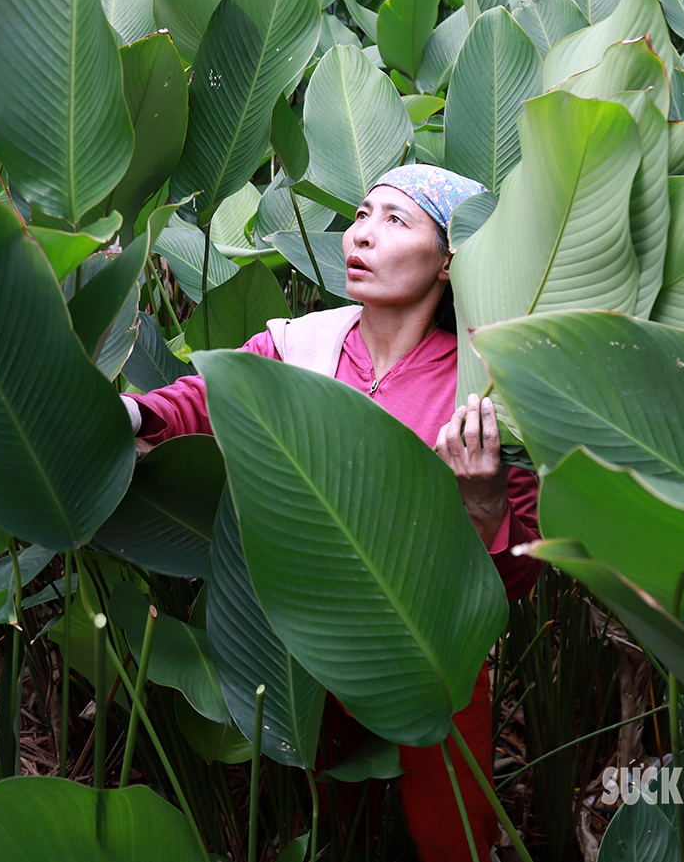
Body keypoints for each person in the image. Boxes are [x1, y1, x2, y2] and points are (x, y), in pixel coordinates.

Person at [122, 164, 541, 861]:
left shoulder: (482, 378)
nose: (362, 235)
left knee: (451, 843)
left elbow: (513, 579)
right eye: (361, 214)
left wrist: (482, 499)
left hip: (430, 660)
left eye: (395, 221)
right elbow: (210, 395)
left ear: (448, 261)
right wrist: (132, 411)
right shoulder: (302, 344)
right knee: (334, 833)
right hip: (310, 653)